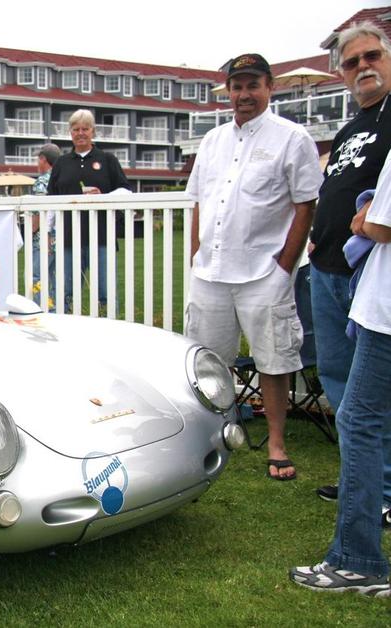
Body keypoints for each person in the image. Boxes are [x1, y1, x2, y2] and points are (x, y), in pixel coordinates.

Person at [185, 53, 322, 481]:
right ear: (229, 91)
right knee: (205, 358)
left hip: (264, 272)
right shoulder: (212, 140)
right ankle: (211, 434)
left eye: (252, 85)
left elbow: (305, 205)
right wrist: (195, 254)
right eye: (237, 86)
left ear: (269, 87)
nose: (244, 94)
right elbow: (199, 202)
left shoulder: (292, 138)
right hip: (210, 272)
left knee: (274, 359)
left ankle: (277, 443)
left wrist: (284, 267)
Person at [290, 153, 391, 597]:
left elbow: (380, 224)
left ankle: (356, 561)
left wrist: (366, 215)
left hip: (386, 316)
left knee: (358, 419)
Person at [308, 20, 391, 527]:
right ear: (341, 74)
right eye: (352, 62)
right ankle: (360, 476)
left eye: (372, 56)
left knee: (374, 390)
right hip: (326, 268)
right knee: (337, 379)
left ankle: (385, 488)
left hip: (371, 273)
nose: (363, 67)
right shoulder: (349, 128)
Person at [47, 110, 131, 310]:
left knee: (105, 291)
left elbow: (125, 190)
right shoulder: (61, 163)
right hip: (68, 237)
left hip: (102, 236)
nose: (80, 133)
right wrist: (48, 232)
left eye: (85, 129)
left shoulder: (107, 159)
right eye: (76, 129)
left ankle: (108, 321)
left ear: (93, 131)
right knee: (65, 291)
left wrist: (103, 197)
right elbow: (51, 199)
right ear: (70, 132)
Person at [31, 144, 60, 301]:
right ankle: (56, 308)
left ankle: (39, 307)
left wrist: (30, 231)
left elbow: (39, 212)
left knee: (37, 276)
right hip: (60, 236)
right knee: (57, 277)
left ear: (44, 159)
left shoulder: (42, 181)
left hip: (42, 238)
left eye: (38, 159)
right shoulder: (62, 177)